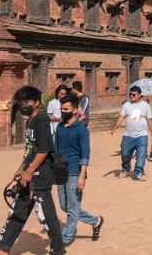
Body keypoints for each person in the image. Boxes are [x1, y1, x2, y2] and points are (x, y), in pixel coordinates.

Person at [0, 85, 65, 255]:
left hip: (40, 176)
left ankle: (58, 250)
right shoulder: (31, 121)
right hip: (29, 175)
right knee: (18, 211)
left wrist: (29, 172)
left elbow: (44, 150)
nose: (24, 104)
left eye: (27, 101)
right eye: (21, 102)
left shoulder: (42, 120)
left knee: (47, 215)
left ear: (37, 102)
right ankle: (3, 249)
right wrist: (21, 168)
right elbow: (30, 149)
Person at [54, 94, 104, 246]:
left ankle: (65, 238)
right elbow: (56, 151)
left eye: (66, 109)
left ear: (75, 110)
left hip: (75, 172)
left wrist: (82, 176)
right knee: (65, 206)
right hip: (61, 171)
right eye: (62, 109)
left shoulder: (81, 129)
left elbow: (85, 154)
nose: (63, 111)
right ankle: (95, 221)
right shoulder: (60, 127)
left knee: (73, 206)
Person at [112, 85, 152, 181]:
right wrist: (115, 127)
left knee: (141, 154)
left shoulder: (145, 106)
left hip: (142, 135)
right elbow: (121, 117)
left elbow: (149, 119)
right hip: (128, 135)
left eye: (133, 94)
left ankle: (138, 171)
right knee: (125, 153)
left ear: (139, 95)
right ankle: (126, 168)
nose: (131, 96)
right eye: (130, 94)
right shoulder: (126, 105)